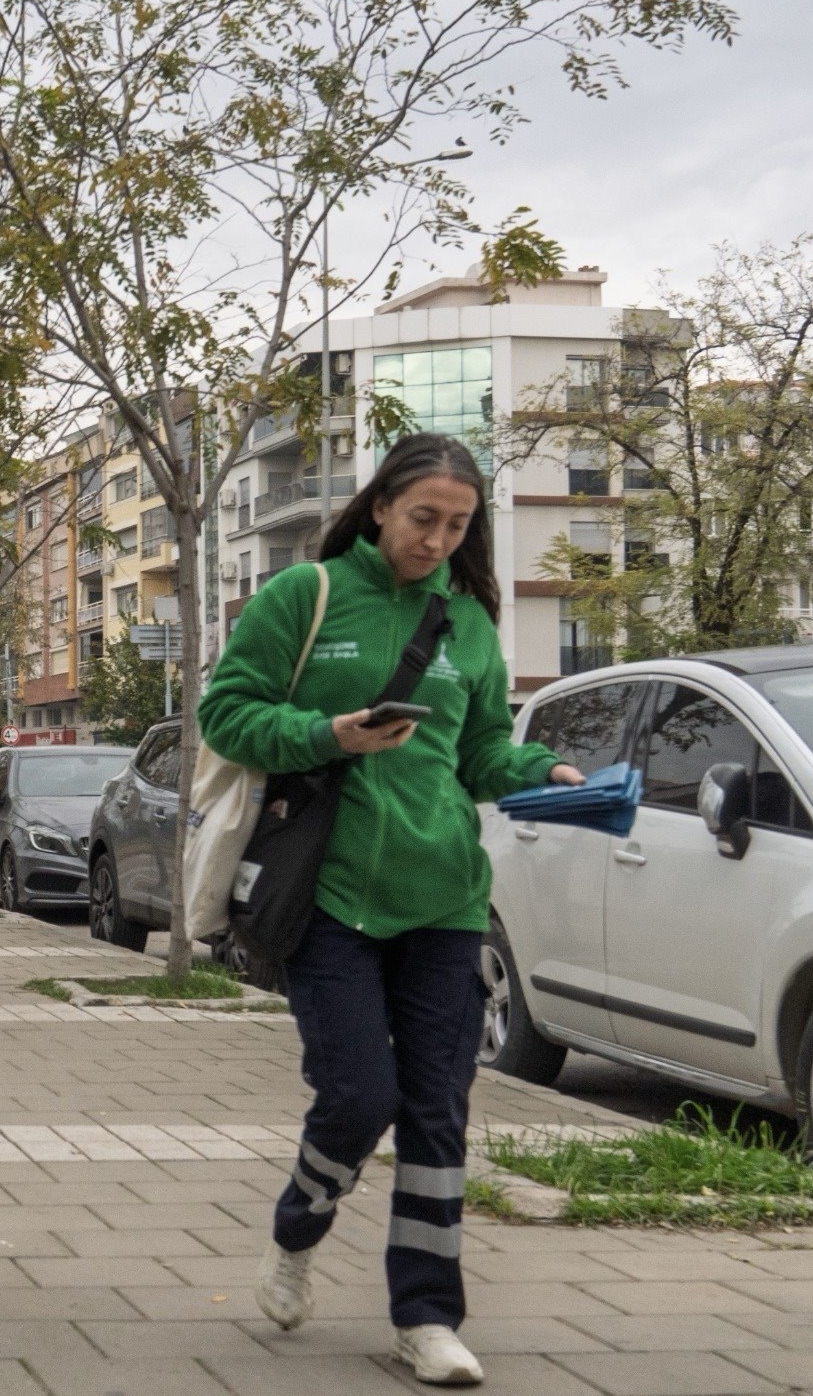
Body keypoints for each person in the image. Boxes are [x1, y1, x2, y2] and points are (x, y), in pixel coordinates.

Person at [197, 432, 583, 1387]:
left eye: (457, 525)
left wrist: (547, 772)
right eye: (423, 519)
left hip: (447, 900)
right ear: (379, 507)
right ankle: (299, 1224)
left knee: (437, 1112)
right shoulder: (307, 597)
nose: (438, 540)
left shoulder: (471, 628)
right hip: (329, 898)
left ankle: (426, 1316)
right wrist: (327, 733)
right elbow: (227, 713)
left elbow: (485, 754)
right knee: (361, 1094)